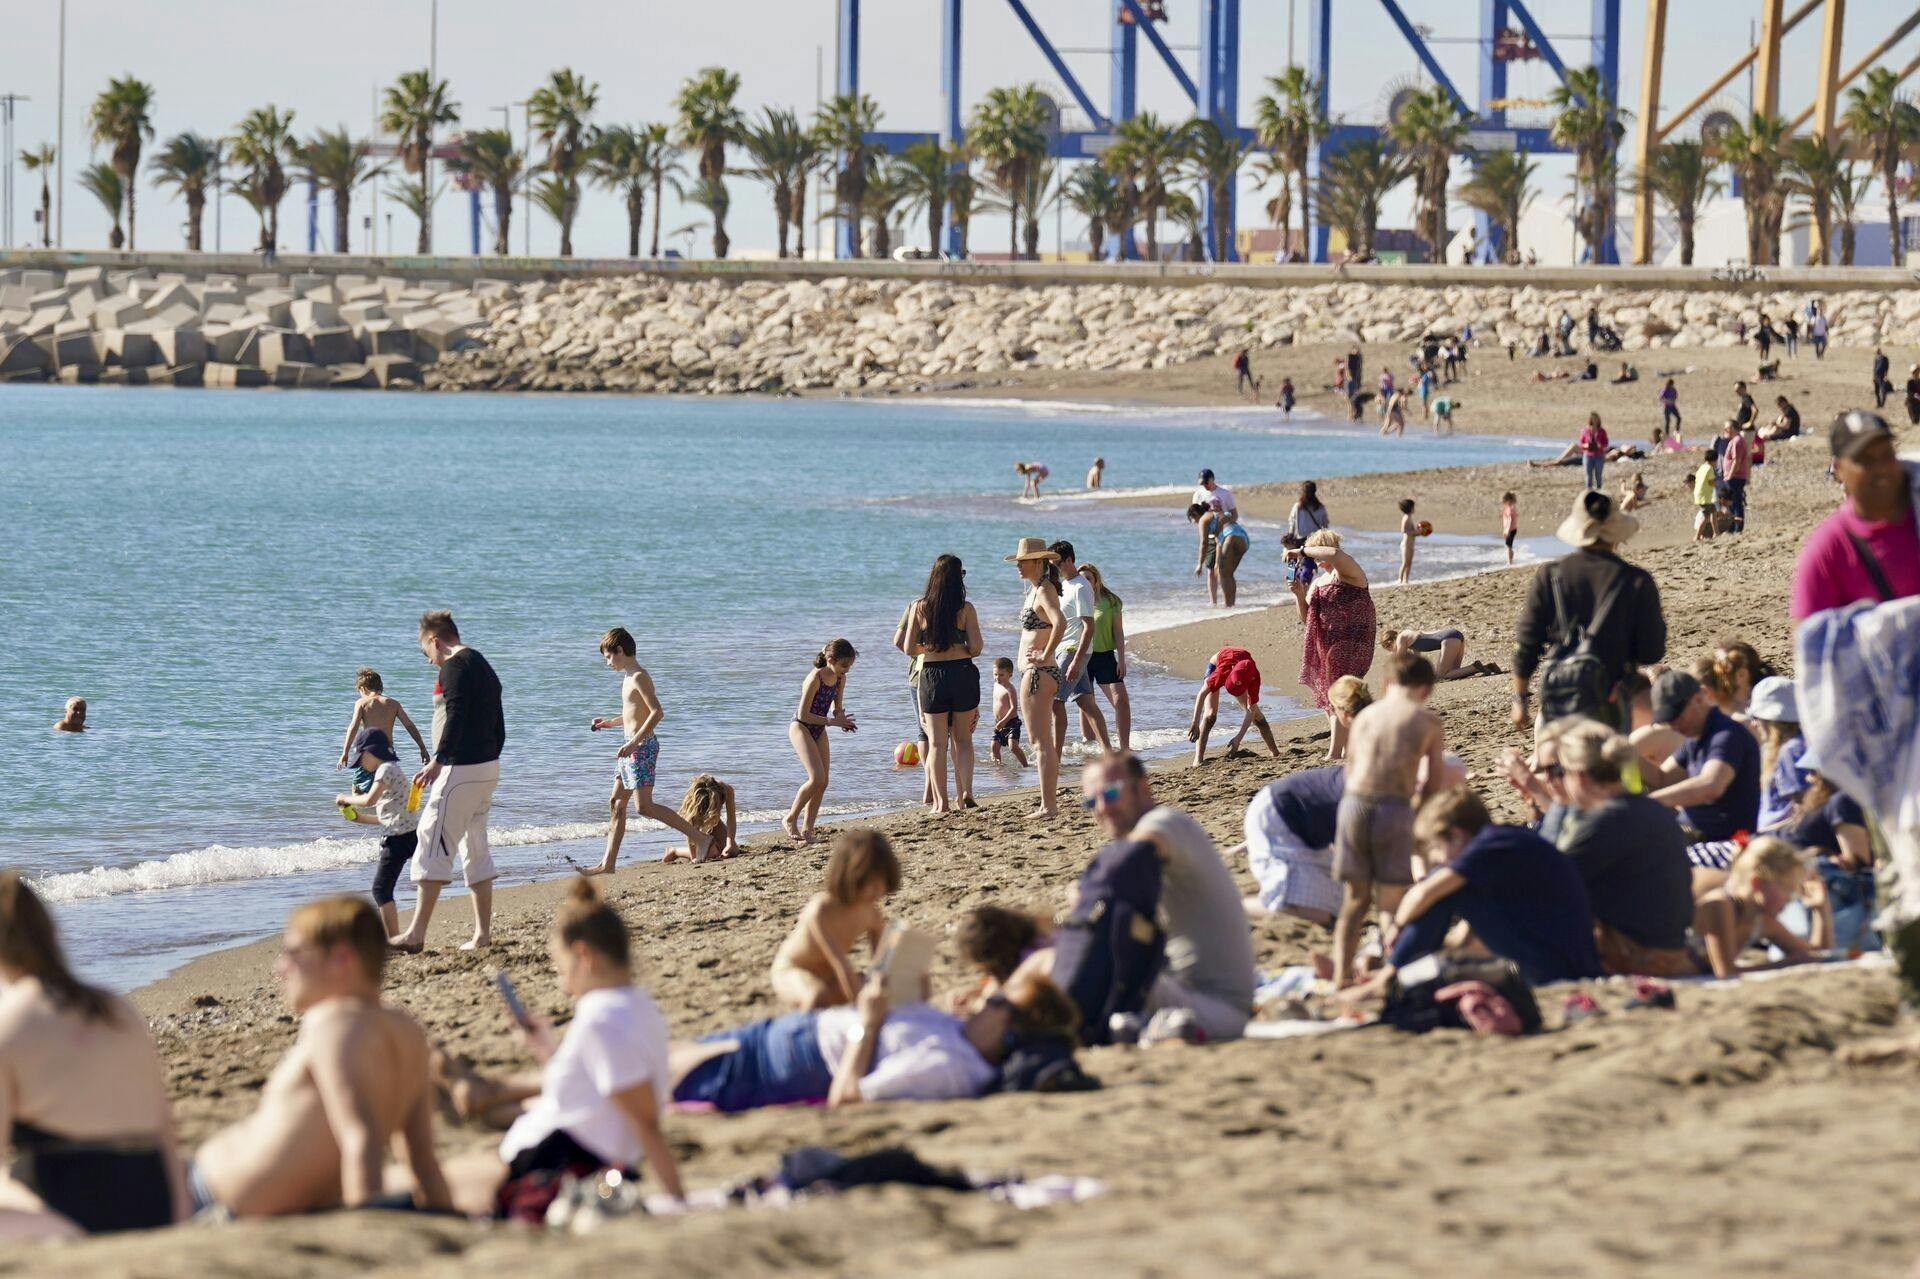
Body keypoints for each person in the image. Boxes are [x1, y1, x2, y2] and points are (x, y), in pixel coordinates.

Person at [188, 897, 451, 1217]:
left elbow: (360, 1139)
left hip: (209, 1196)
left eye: (292, 954)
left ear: (341, 959)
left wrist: (369, 1227)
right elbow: (421, 1158)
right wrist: (447, 1216)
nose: (279, 969)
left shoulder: (335, 1021)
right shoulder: (408, 1030)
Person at [446, 878, 685, 1221]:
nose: (560, 980)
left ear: (583, 956)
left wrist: (678, 1200)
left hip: (551, 1168)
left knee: (406, 1189)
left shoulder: (601, 1018)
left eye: (559, 967)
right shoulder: (633, 1004)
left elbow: (646, 1123)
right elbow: (593, 1092)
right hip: (549, 1154)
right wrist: (547, 1048)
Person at [0, 873, 185, 1237]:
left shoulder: (11, 1021)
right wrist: (178, 1214)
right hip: (151, 1197)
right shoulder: (116, 1007)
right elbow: (165, 1130)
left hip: (70, 1209)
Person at [673, 966, 1079, 1111]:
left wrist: (867, 1023)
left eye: (999, 1001)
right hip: (784, 1035)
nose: (987, 1000)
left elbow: (847, 1096)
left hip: (781, 1064)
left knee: (652, 1075)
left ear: (1010, 1032)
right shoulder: (960, 1034)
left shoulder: (952, 1067)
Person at [1080, 752, 1256, 1041]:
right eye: (1091, 801)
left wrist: (1081, 894)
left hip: (1214, 1010)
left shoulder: (1165, 825)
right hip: (1186, 995)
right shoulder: (1157, 835)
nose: (1102, 808)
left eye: (1111, 793)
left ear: (1143, 788)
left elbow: (1129, 860)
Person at [1384, 786, 1603, 986]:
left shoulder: (1490, 845)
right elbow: (1464, 942)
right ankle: (1398, 973)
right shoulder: (1500, 843)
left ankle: (1390, 975)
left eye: (1436, 848)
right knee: (1449, 888)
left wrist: (1396, 928)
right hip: (1562, 959)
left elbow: (1422, 893)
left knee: (1444, 889)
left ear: (1456, 835)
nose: (1438, 860)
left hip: (1556, 966)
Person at [1330, 653, 1446, 988]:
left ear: (1385, 683)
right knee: (1391, 901)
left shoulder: (1365, 717)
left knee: (1355, 900)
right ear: (1426, 690)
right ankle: (1389, 975)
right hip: (1393, 807)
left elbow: (1351, 769)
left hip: (1352, 805)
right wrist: (1420, 818)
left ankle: (1341, 977)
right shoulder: (1426, 721)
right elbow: (1433, 782)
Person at [392, 611, 504, 954]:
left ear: (434, 641)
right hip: (487, 768)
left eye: (426, 654)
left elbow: (455, 714)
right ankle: (482, 934)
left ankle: (415, 934)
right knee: (475, 847)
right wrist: (493, 753)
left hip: (461, 769)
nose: (429, 663)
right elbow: (494, 715)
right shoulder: (481, 662)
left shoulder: (454, 666)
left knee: (431, 839)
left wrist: (439, 761)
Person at [1511, 490, 1666, 732]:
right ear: (1616, 533)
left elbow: (1526, 643)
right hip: (1613, 694)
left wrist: (1520, 700)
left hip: (1561, 695)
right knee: (1611, 766)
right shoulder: (1637, 581)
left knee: (1564, 765)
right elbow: (1652, 651)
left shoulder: (1550, 576)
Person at [1555, 721, 1695, 976]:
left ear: (1579, 776)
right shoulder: (1651, 809)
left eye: (1561, 771)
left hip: (1636, 958)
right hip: (1672, 949)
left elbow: (1546, 884)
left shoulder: (1604, 821)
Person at [582, 627, 708, 875]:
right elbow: (633, 713)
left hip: (642, 747)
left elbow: (656, 712)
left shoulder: (639, 676)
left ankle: (701, 838)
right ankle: (608, 864)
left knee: (644, 807)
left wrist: (633, 743)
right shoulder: (628, 677)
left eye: (609, 657)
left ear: (620, 650)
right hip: (631, 746)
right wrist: (610, 722)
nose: (607, 663)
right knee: (616, 803)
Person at [1792, 411, 1920, 619]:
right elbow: (1810, 643)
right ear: (1839, 470)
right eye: (1865, 460)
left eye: (1887, 455)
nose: (1881, 468)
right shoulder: (1829, 549)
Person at [1642, 670, 1762, 868]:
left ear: (1699, 699)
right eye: (1668, 721)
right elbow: (1662, 778)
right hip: (1694, 835)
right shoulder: (1694, 738)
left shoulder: (1726, 735)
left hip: (1725, 844)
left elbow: (1711, 785)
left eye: (1677, 717)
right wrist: (1626, 753)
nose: (1673, 726)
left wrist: (1647, 804)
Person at [896, 555, 984, 814]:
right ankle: (965, 791)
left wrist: (933, 647)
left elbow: (908, 647)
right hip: (963, 673)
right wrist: (959, 647)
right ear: (959, 579)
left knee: (936, 744)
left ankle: (941, 803)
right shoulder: (966, 608)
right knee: (964, 739)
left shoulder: (919, 607)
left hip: (932, 675)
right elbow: (977, 648)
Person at [771, 830, 898, 1011]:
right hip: (793, 970)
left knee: (872, 987)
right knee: (817, 995)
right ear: (852, 875)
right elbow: (841, 964)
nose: (878, 891)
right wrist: (860, 1011)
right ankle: (803, 1031)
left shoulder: (872, 913)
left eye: (883, 882)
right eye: (872, 883)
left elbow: (881, 964)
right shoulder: (822, 909)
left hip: (829, 976)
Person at [1689, 837, 1826, 978]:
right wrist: (1786, 964)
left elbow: (1814, 955)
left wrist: (1821, 910)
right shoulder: (1720, 904)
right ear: (1756, 883)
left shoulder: (1762, 920)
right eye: (1786, 889)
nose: (1790, 898)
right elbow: (1725, 973)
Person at [334, 730, 421, 937]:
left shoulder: (385, 770)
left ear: (370, 752)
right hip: (409, 835)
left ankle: (393, 938)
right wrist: (359, 819)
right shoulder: (392, 770)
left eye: (360, 759)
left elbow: (369, 801)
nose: (361, 765)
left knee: (381, 890)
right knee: (398, 885)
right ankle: (398, 935)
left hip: (397, 840)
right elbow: (388, 817)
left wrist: (345, 798)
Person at [1300, 529, 1376, 761]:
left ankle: (1334, 753)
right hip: (1326, 642)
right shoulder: (1319, 581)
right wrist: (1297, 594)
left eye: (1315, 551)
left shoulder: (1349, 570)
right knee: (1332, 694)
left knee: (1337, 692)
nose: (1312, 558)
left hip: (1354, 640)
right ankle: (1347, 748)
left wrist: (1301, 550)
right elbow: (1307, 618)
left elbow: (1333, 553)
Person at [1241, 763, 1346, 927]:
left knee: (1331, 910)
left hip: (1310, 831)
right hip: (1279, 817)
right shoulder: (1371, 799)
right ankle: (1231, 907)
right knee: (1311, 915)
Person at [1009, 538, 1067, 818]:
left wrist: (1045, 653)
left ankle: (1048, 806)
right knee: (1042, 742)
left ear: (1039, 562)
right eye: (1018, 561)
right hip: (1039, 672)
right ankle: (1048, 804)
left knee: (1040, 743)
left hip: (1039, 673)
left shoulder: (1044, 590)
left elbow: (1061, 622)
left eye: (1023, 561)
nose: (1018, 565)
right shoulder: (1036, 590)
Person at [783, 639, 858, 844]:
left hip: (820, 729)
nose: (847, 670)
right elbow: (803, 714)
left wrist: (842, 720)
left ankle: (808, 831)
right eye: (844, 666)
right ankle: (790, 819)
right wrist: (832, 722)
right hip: (800, 727)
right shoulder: (815, 678)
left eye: (849, 666)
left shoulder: (840, 679)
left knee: (823, 782)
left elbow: (837, 708)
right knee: (816, 778)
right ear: (830, 660)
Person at [1049, 540, 1113, 756]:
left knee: (1056, 703)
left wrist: (1077, 660)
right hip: (1066, 649)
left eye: (1056, 563)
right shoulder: (1064, 585)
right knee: (1086, 702)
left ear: (1069, 560)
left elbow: (1089, 625)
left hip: (1073, 650)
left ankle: (1055, 758)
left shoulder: (1081, 587)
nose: (1054, 568)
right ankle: (1108, 751)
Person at [1188, 646, 1279, 765]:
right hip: (1218, 665)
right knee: (1210, 715)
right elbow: (1202, 694)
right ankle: (1198, 760)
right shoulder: (1221, 672)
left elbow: (1250, 711)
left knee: (1257, 715)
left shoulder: (1254, 677)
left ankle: (1275, 752)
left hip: (1240, 673)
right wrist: (1195, 723)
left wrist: (1238, 738)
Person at [338, 668, 429, 780]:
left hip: (368, 752)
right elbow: (409, 726)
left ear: (363, 688)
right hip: (387, 753)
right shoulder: (394, 704)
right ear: (380, 686)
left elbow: (353, 727)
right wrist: (422, 748)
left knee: (359, 788)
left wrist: (345, 752)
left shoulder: (362, 703)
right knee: (385, 787)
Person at [1078, 562, 1131, 752]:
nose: (1084, 582)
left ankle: (1125, 747)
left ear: (1096, 580)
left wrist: (1122, 659)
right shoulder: (1074, 599)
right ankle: (1090, 747)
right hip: (1081, 657)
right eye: (1081, 579)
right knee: (1086, 704)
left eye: (1088, 578)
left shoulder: (1111, 601)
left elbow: (1118, 632)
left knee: (1121, 701)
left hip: (1105, 657)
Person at [1748, 676, 1809, 831]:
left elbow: (1805, 812)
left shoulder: (1790, 752)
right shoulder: (1791, 746)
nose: (1753, 724)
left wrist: (1761, 835)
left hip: (1784, 839)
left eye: (1756, 718)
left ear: (1772, 720)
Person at [659, 774, 739, 864]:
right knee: (711, 854)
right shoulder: (695, 794)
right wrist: (694, 855)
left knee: (733, 851)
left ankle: (715, 846)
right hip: (697, 820)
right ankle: (674, 851)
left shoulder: (727, 790)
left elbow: (731, 819)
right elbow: (689, 824)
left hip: (715, 820)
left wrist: (730, 843)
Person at [1380, 626, 1487, 680]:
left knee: (1441, 677)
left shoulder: (1401, 638)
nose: (1392, 652)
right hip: (1455, 635)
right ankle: (1487, 667)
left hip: (1448, 639)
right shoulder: (1410, 639)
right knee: (1453, 673)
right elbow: (1416, 662)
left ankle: (1475, 667)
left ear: (1389, 643)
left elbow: (1400, 660)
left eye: (1390, 649)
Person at [988, 657, 1029, 767]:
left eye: (1001, 675)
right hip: (998, 722)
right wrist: (999, 721)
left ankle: (1025, 765)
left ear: (1010, 674)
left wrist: (1004, 720)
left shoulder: (1010, 689)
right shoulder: (996, 685)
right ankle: (999, 768)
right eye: (995, 674)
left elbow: (1013, 708)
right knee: (994, 747)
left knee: (1013, 746)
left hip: (1011, 722)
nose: (997, 678)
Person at [1208, 504, 1252, 606]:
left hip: (1230, 538)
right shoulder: (1225, 514)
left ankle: (1228, 605)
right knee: (1229, 573)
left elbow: (1217, 541)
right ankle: (1231, 604)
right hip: (1244, 540)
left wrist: (1216, 563)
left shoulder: (1212, 519)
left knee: (1223, 573)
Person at [1720, 416, 1754, 534]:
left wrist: (1730, 475)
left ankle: (1737, 528)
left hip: (1735, 477)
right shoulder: (1734, 440)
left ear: (1732, 429)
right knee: (1731, 503)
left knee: (1736, 503)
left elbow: (1737, 461)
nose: (1725, 431)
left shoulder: (1738, 441)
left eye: (1726, 429)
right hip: (1733, 477)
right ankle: (1732, 527)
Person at [1189, 501, 1223, 606]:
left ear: (1195, 515)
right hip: (1229, 537)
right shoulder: (1212, 513)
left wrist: (1199, 564)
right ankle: (1227, 601)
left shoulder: (1204, 520)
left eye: (1193, 519)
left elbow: (1203, 543)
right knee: (1222, 572)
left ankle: (1214, 602)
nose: (1194, 522)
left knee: (1212, 572)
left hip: (1220, 541)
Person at [1693, 447, 1720, 542]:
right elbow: (1711, 482)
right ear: (1714, 460)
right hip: (1705, 497)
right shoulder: (1710, 468)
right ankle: (1698, 536)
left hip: (1699, 495)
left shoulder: (1702, 467)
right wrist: (1717, 484)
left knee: (1712, 512)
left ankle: (1716, 533)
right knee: (1707, 516)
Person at [1396, 498, 1425, 585]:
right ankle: (1399, 579)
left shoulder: (1410, 517)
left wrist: (1419, 532)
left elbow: (1411, 531)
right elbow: (1404, 530)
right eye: (1413, 507)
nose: (1414, 509)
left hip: (1411, 545)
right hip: (1406, 545)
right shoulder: (1406, 517)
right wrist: (1416, 532)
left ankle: (1406, 580)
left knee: (1409, 563)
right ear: (1410, 508)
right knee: (1405, 563)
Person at [1578, 413, 1610, 491]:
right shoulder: (1585, 430)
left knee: (1598, 474)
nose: (1595, 421)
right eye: (1593, 419)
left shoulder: (1602, 431)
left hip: (1599, 455)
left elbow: (1606, 443)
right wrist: (1586, 445)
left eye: (1596, 419)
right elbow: (1581, 443)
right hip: (1588, 455)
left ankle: (1599, 489)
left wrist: (1600, 445)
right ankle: (1589, 490)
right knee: (1588, 475)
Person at [1500, 490, 1519, 565]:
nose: (1503, 503)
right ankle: (1511, 559)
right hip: (1512, 529)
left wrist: (1507, 530)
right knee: (1509, 546)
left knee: (1508, 546)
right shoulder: (1510, 507)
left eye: (1504, 501)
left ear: (1508, 500)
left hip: (1510, 529)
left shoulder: (1510, 508)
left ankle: (1510, 561)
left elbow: (1510, 519)